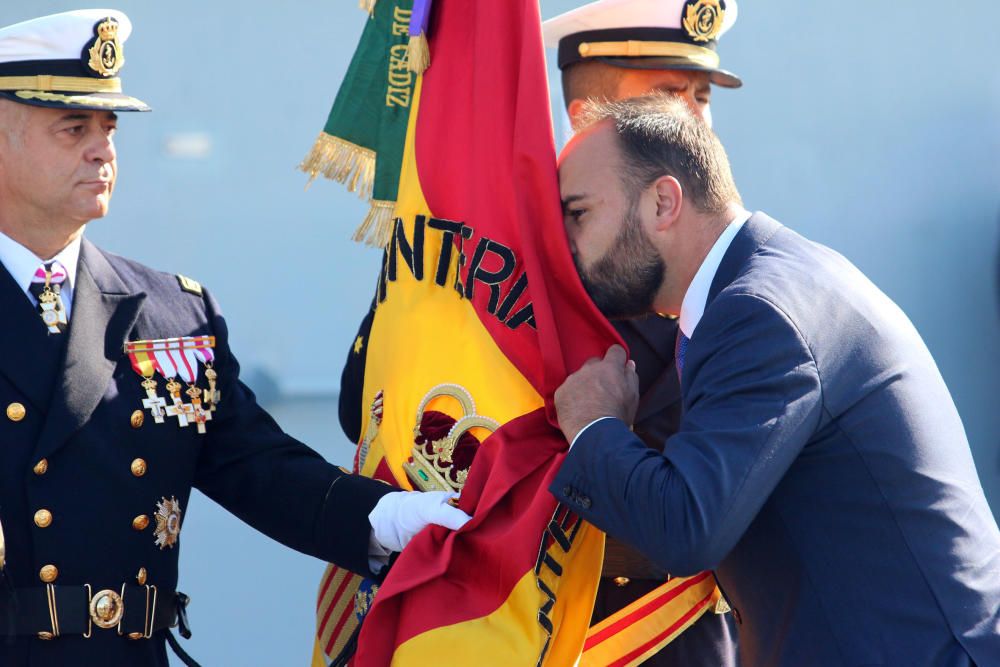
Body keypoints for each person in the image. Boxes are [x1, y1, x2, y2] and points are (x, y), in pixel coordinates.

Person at [0, 10, 469, 667]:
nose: (102, 148)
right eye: (73, 127)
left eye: (109, 127)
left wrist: (388, 515)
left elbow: (258, 467)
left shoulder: (171, 314)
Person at [549, 94, 1000, 666]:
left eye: (579, 213)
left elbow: (686, 526)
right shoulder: (773, 283)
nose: (564, 243)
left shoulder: (757, 313)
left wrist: (593, 426)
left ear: (663, 201)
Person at [542, 0, 741, 662]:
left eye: (703, 95)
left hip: (682, 629)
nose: (696, 118)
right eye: (667, 93)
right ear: (588, 120)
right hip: (537, 622)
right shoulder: (511, 265)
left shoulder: (739, 269)